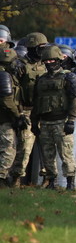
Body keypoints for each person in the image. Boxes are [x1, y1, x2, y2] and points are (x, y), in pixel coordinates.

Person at [30, 45, 76, 190]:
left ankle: (70, 183)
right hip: (45, 122)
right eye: (46, 61)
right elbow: (37, 101)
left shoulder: (68, 77)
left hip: (62, 121)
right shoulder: (41, 80)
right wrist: (34, 123)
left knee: (66, 154)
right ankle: (51, 181)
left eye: (52, 60)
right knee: (47, 156)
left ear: (59, 60)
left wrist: (71, 120)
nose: (49, 63)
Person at [10, 32, 49, 187]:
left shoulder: (47, 64)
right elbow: (14, 91)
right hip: (26, 110)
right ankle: (16, 178)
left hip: (43, 111)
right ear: (32, 47)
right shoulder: (19, 65)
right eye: (40, 48)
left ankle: (48, 178)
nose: (43, 51)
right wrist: (18, 114)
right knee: (24, 147)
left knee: (47, 147)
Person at [0, 47, 23, 186]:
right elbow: (7, 100)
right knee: (9, 149)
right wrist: (17, 116)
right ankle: (1, 178)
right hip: (4, 119)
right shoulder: (4, 76)